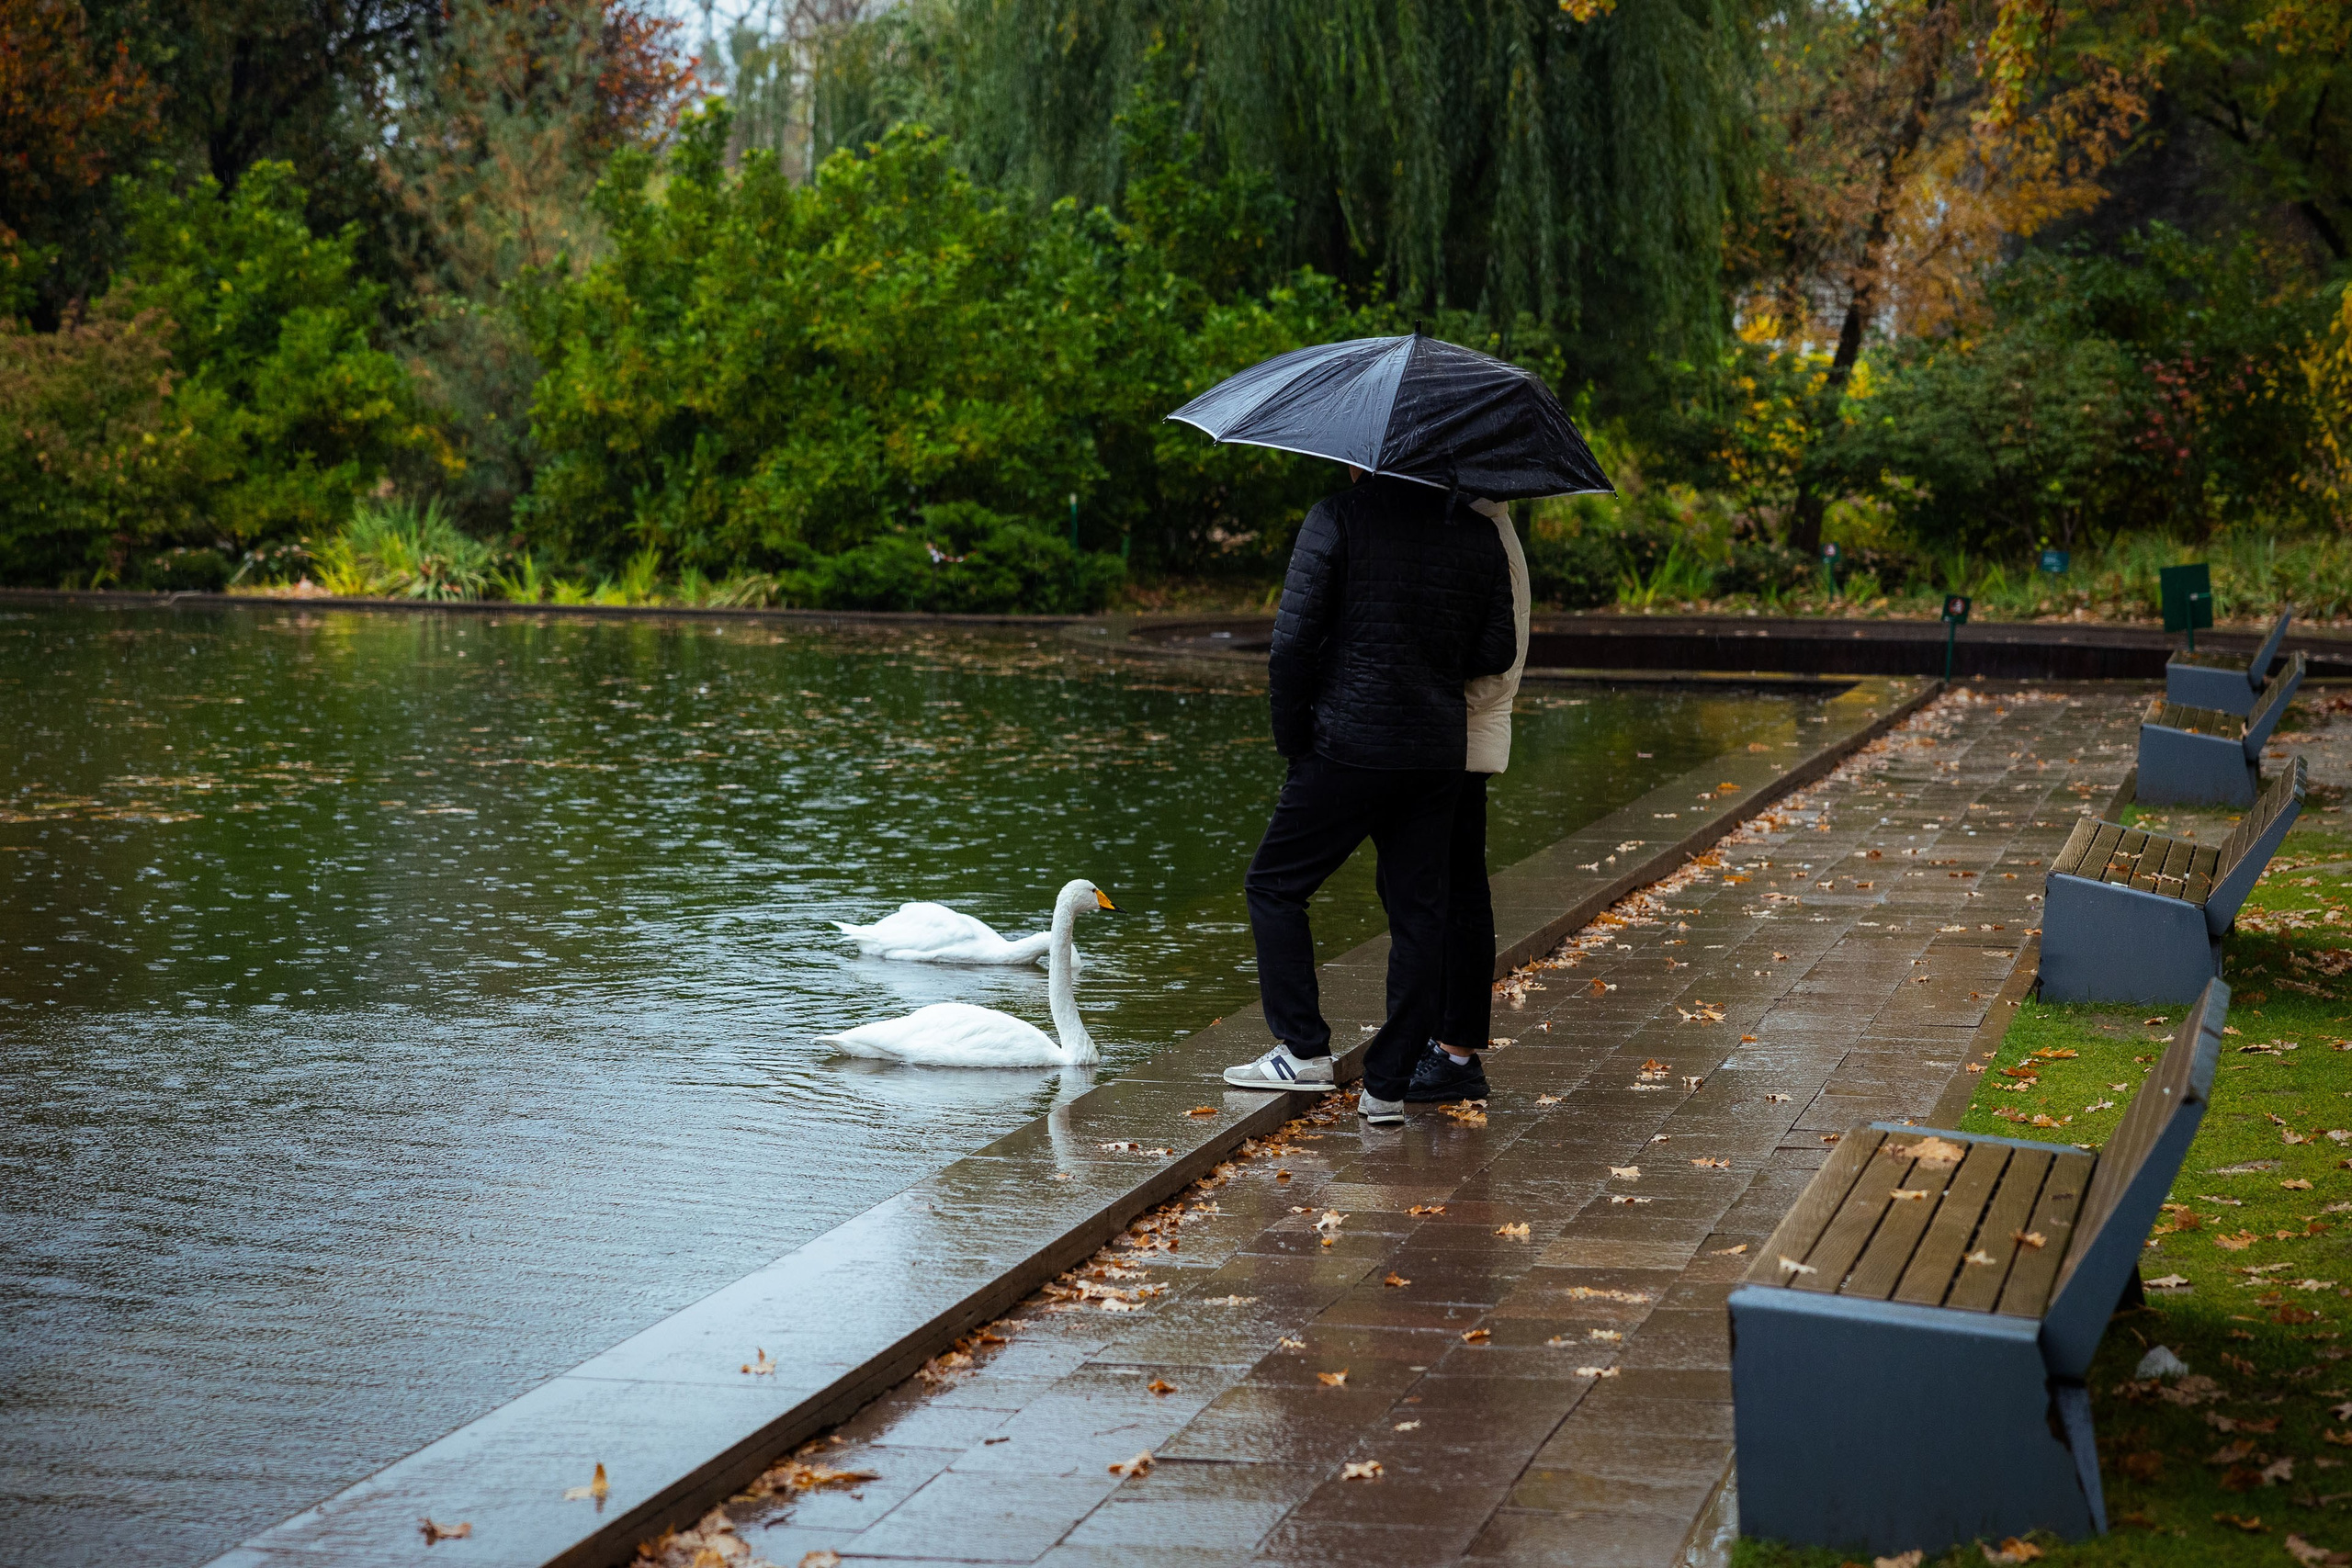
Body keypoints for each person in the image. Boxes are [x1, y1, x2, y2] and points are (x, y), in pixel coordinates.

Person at [1221, 471, 1519, 1125]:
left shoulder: (1338, 516)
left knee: (1274, 884)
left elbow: (1292, 642)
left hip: (1347, 743)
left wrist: (1294, 737)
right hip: (1436, 751)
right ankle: (1386, 1086)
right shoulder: (1478, 534)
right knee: (1420, 915)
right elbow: (1497, 647)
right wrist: (1429, 655)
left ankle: (1303, 1050)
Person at [1400, 497, 1530, 1104]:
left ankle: (1456, 1052)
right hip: (1457, 729)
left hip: (1462, 731)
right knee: (1450, 886)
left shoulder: (1485, 536)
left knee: (1461, 892)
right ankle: (1444, 1039)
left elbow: (1494, 649)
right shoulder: (1485, 529)